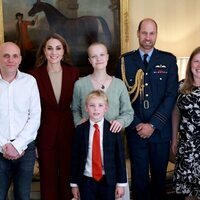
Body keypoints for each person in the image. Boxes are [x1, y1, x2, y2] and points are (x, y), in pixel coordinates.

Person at [116, 18, 179, 200]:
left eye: (152, 33)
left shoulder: (168, 60)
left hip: (159, 132)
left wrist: (152, 124)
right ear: (138, 33)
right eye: (144, 33)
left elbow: (170, 96)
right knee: (139, 179)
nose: (148, 37)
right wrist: (137, 124)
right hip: (136, 132)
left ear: (156, 35)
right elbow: (122, 97)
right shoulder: (125, 61)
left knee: (159, 179)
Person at [30, 33, 79, 200]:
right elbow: (31, 110)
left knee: (68, 177)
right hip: (44, 134)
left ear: (64, 51)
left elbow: (78, 105)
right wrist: (34, 141)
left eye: (58, 48)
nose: (54, 52)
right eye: (50, 48)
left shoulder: (73, 73)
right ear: (44, 51)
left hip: (68, 133)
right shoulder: (34, 76)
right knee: (48, 180)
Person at [0, 42, 41, 200]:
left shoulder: (29, 81)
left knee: (23, 196)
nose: (11, 59)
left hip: (25, 149)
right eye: (6, 56)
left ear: (20, 59)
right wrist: (5, 146)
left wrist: (17, 146)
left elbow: (35, 116)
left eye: (14, 56)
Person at [70, 90, 127, 200]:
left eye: (100, 105)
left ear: (106, 108)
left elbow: (120, 158)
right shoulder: (80, 130)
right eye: (92, 105)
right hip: (86, 180)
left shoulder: (113, 130)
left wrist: (121, 183)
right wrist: (74, 184)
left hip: (108, 180)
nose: (96, 109)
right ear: (86, 108)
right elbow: (75, 158)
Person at [72, 42, 134, 132]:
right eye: (94, 56)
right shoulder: (80, 84)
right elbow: (75, 110)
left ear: (107, 57)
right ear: (90, 60)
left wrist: (121, 122)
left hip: (113, 136)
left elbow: (128, 112)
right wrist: (78, 123)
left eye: (102, 55)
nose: (98, 59)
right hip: (87, 136)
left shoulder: (119, 84)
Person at [171, 47, 200, 200]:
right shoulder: (181, 86)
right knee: (188, 191)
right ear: (190, 64)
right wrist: (174, 139)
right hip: (187, 146)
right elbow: (176, 112)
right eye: (196, 61)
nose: (199, 66)